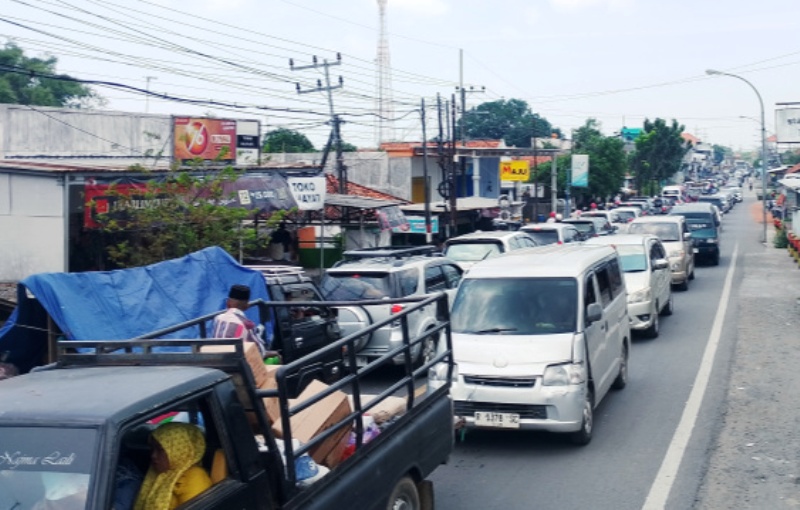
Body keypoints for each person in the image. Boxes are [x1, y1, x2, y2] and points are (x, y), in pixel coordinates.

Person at [133, 423, 212, 510]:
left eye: (160, 450)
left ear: (180, 450)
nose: (153, 455)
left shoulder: (195, 477)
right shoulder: (158, 472)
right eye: (152, 448)